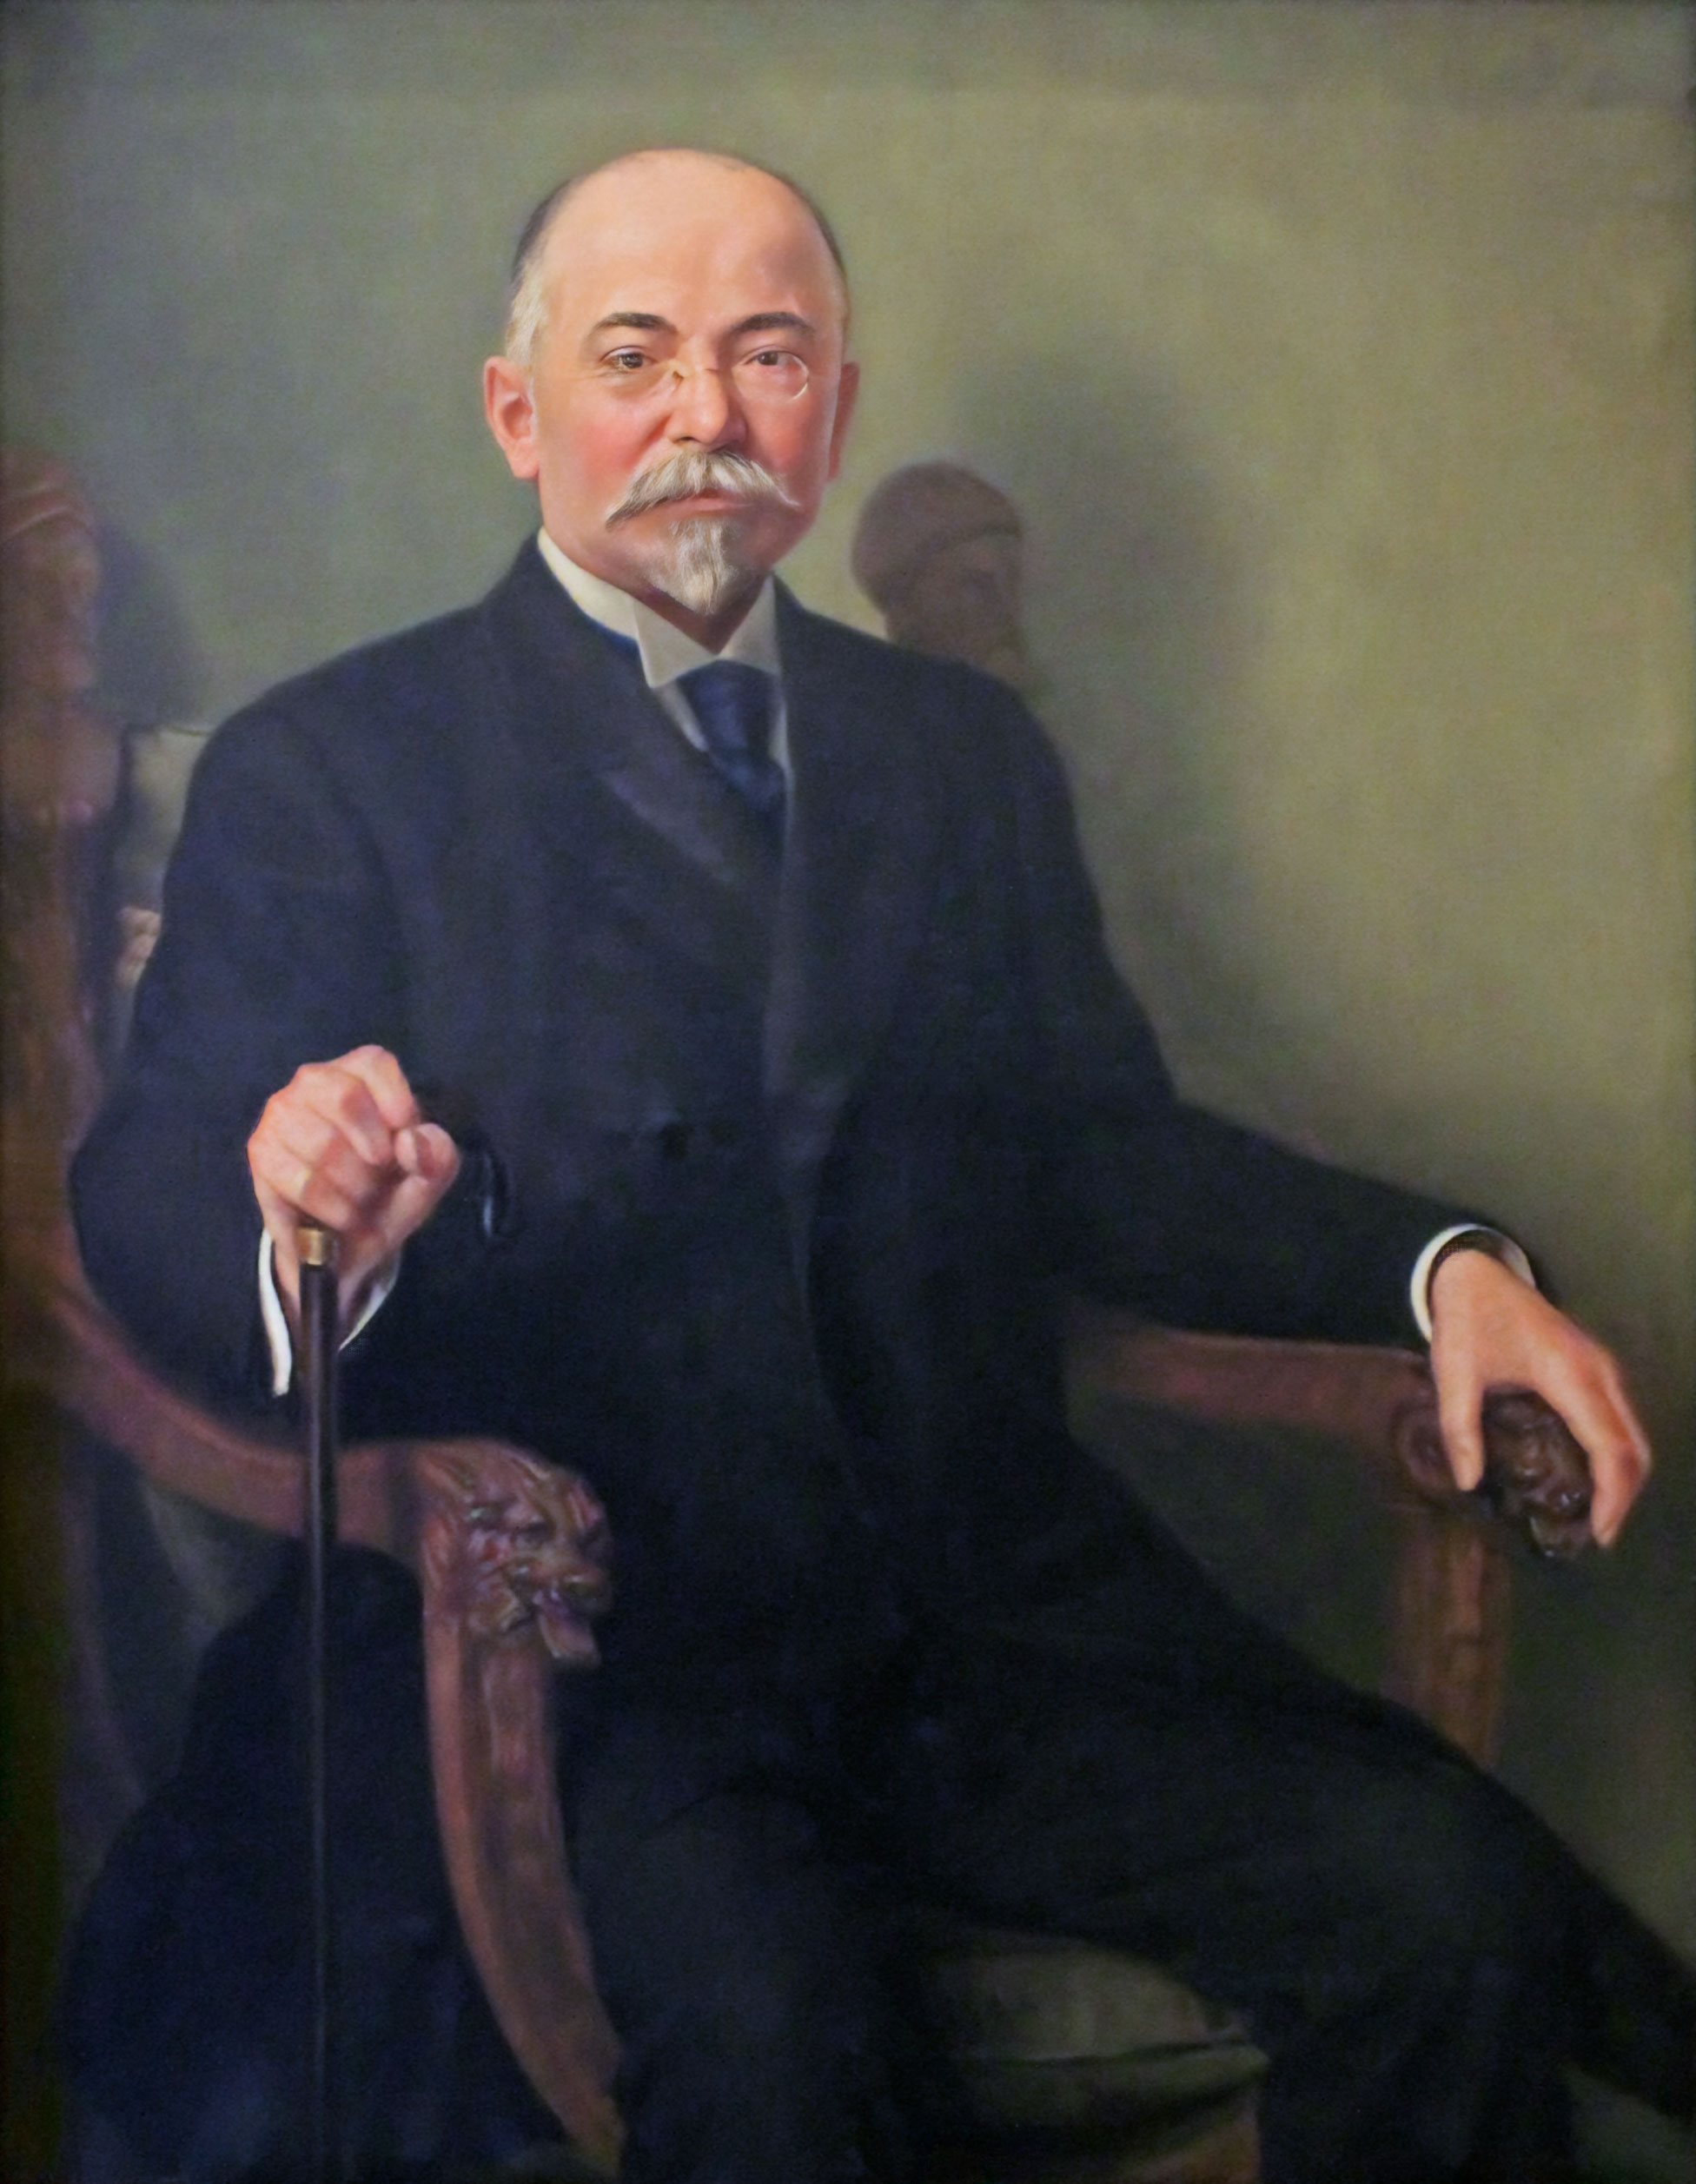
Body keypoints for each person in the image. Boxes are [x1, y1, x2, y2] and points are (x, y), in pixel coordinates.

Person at [66, 148, 1694, 2183]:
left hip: (990, 1635)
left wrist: (1446, 1269)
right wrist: (292, 1203)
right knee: (778, 2038)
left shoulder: (957, 757)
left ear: (831, 413)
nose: (704, 415)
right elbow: (145, 1199)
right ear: (516, 414)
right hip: (589, 1671)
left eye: (766, 358)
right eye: (635, 358)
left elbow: (1108, 1158)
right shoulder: (334, 766)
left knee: (1442, 1910)